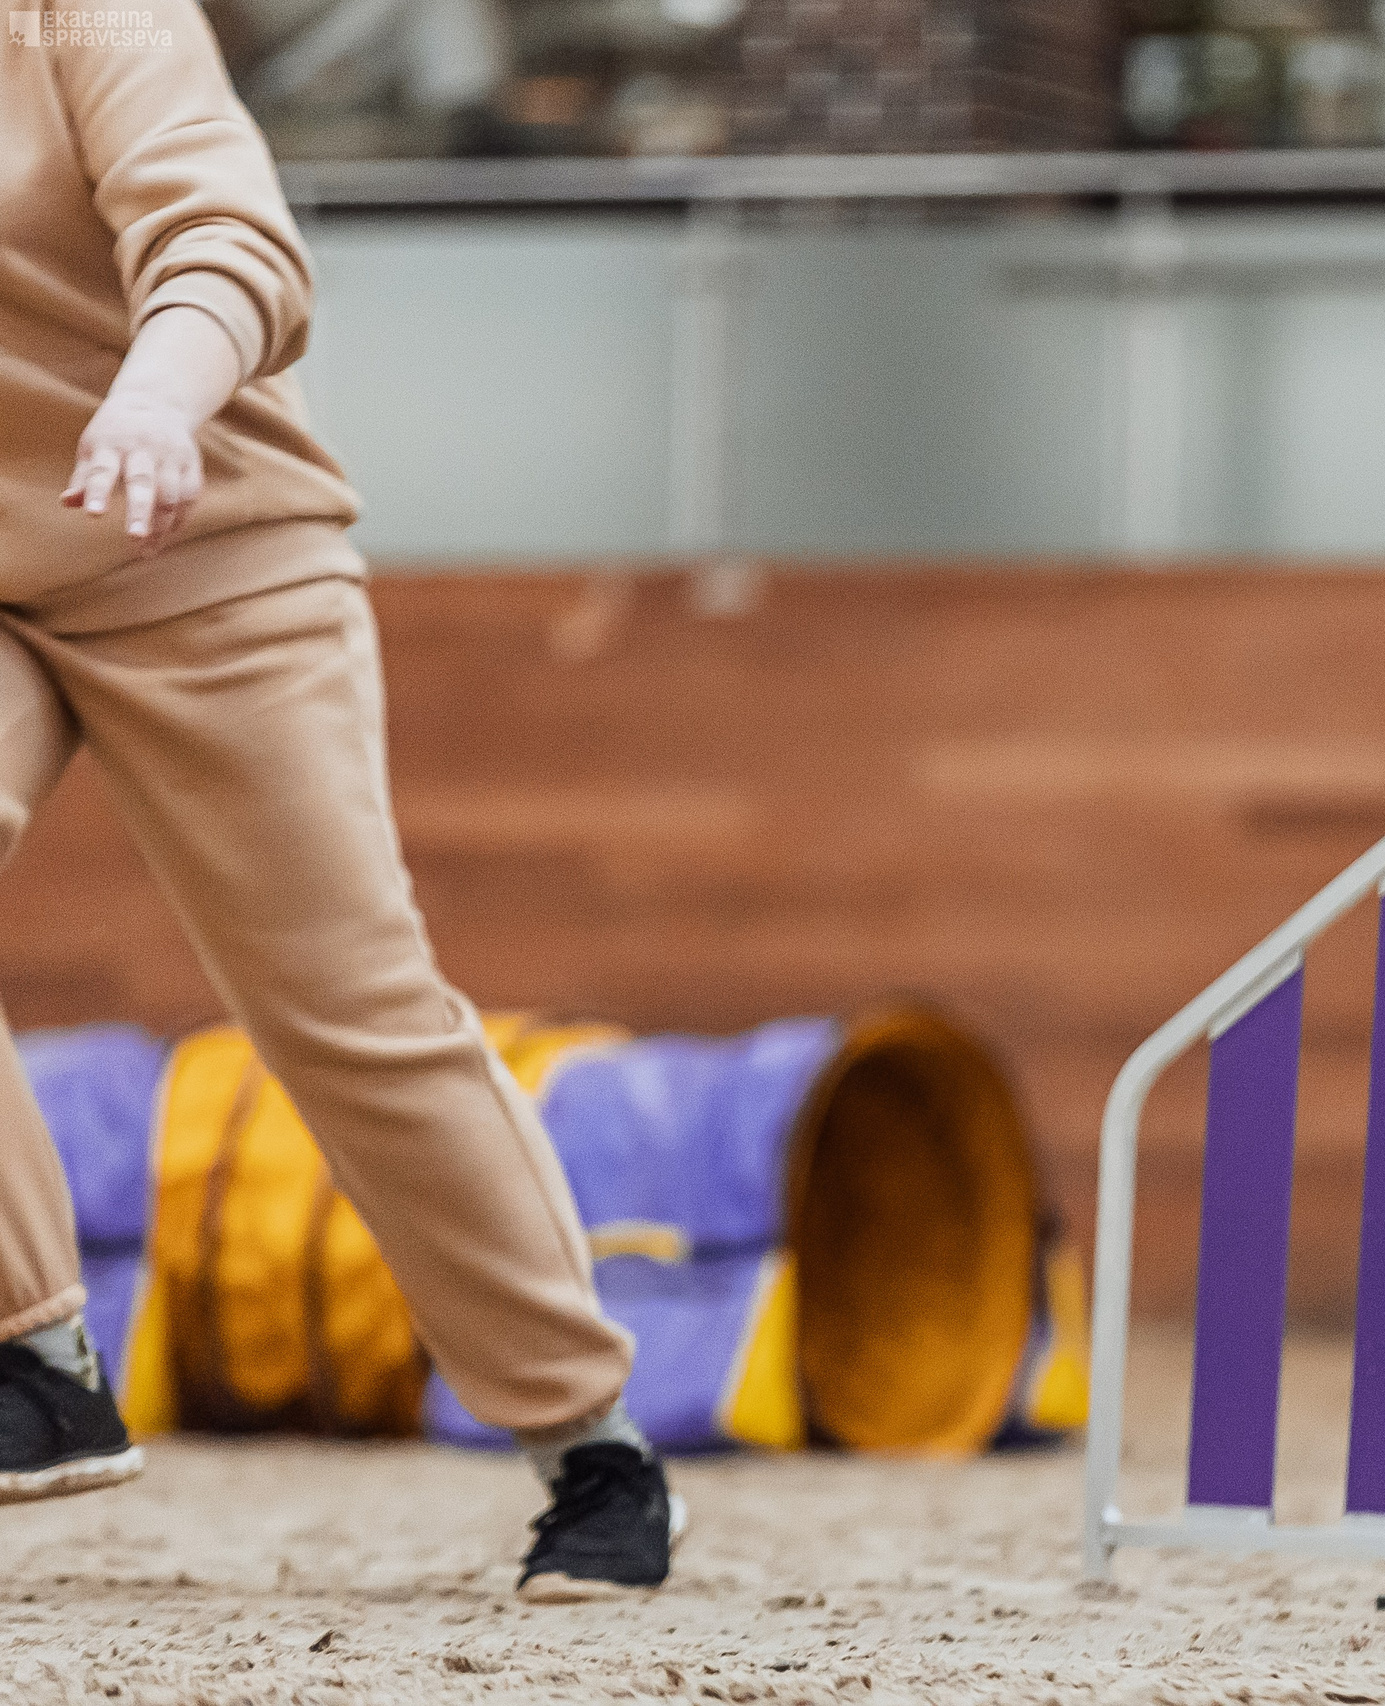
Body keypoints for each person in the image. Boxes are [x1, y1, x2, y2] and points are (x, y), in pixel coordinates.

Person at [0, 2, 679, 1599]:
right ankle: (35, 1349)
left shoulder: (86, 17)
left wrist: (162, 394)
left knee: (342, 1003)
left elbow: (228, 231)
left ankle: (591, 1441)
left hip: (201, 544)